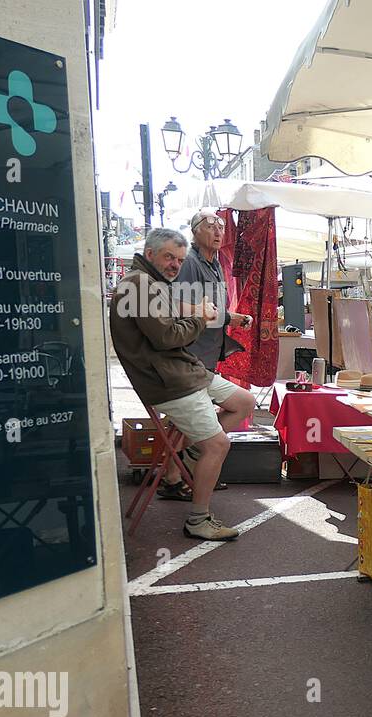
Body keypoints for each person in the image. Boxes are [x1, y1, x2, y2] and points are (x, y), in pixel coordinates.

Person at [109, 228, 255, 541]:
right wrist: (201, 318)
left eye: (178, 259)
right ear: (150, 255)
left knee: (244, 402)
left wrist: (208, 315)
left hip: (182, 372)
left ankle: (188, 460)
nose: (175, 264)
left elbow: (172, 319)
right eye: (168, 257)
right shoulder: (139, 284)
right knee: (218, 445)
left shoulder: (149, 283)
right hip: (170, 381)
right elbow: (167, 337)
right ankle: (198, 519)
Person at [174, 210, 253, 372]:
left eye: (221, 228)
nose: (218, 232)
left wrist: (230, 318)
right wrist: (229, 318)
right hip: (192, 356)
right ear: (195, 231)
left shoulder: (215, 264)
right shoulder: (189, 261)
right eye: (210, 227)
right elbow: (181, 308)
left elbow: (214, 306)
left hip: (208, 355)